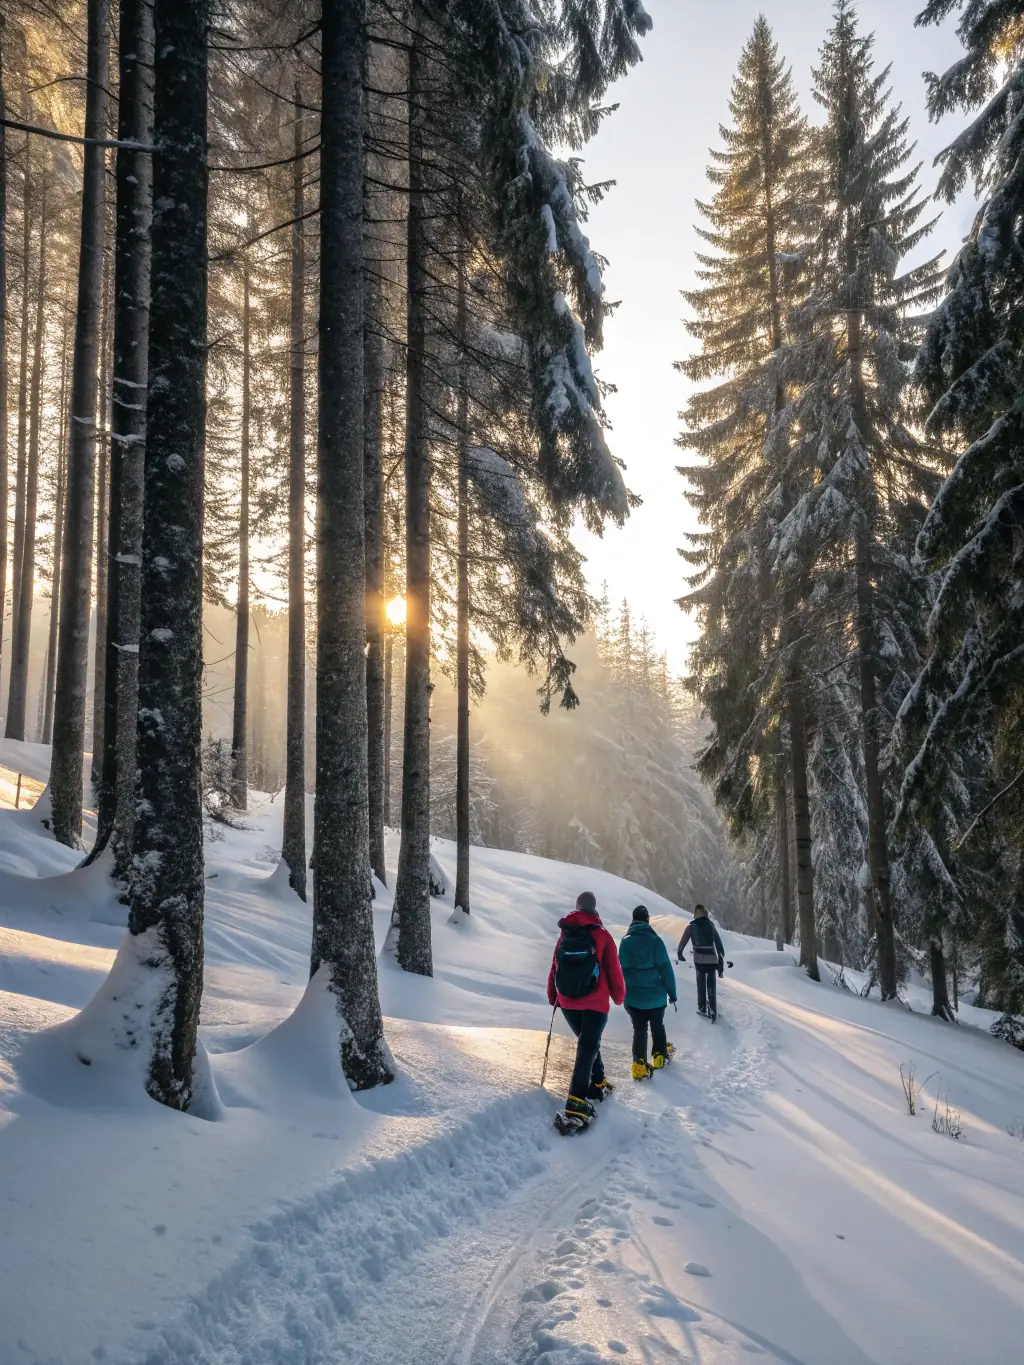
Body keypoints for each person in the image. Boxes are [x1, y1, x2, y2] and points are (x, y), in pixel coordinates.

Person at [547, 891, 625, 1130]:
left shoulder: (565, 933)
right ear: (594, 909)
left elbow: (555, 965)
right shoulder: (602, 935)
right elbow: (613, 969)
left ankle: (598, 1083)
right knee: (588, 1045)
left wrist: (553, 996)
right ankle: (576, 1102)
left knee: (588, 1042)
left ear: (577, 908)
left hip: (567, 1000)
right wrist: (618, 996)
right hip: (595, 1002)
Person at [618, 906, 677, 1079]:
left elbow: (620, 971)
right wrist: (672, 994)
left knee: (639, 1028)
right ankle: (659, 1056)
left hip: (633, 997)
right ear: (647, 920)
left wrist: (621, 994)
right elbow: (666, 969)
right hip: (656, 997)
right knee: (657, 1024)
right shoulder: (656, 941)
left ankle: (639, 1065)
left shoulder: (626, 941)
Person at [677, 904, 725, 1021]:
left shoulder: (691, 927)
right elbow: (719, 944)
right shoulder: (711, 925)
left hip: (699, 960)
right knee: (711, 985)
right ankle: (713, 1010)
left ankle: (702, 1008)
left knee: (701, 984)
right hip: (712, 960)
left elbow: (683, 942)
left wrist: (680, 953)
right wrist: (720, 956)